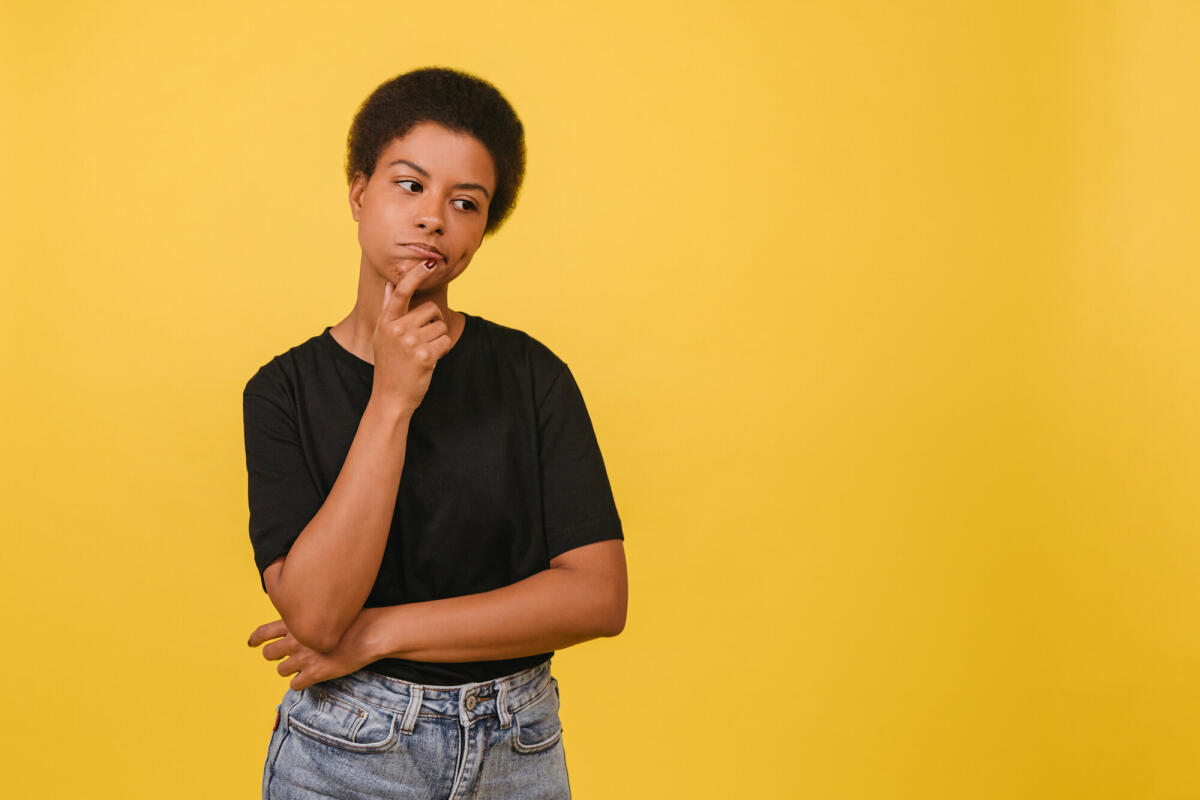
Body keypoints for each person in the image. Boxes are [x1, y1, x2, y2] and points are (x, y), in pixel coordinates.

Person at [241, 66, 627, 799]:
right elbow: (318, 615)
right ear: (359, 192)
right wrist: (391, 397)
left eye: (466, 203)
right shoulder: (281, 392)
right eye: (409, 185)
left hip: (520, 745)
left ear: (483, 228)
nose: (433, 219)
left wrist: (377, 632)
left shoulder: (531, 373)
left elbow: (598, 598)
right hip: (345, 751)